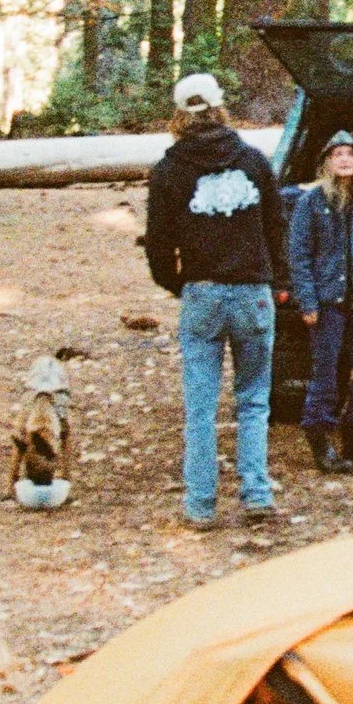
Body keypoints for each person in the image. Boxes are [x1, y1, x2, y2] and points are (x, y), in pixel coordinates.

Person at [144, 72, 290, 531]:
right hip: (252, 292)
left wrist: (179, 284)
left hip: (202, 292)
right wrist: (277, 281)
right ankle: (256, 493)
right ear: (219, 107)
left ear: (179, 114)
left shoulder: (168, 170)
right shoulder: (253, 161)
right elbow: (276, 227)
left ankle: (201, 504)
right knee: (253, 401)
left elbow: (158, 244)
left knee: (201, 406)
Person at [289, 128, 353, 474]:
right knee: (326, 376)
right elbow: (299, 256)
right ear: (327, 162)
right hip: (326, 304)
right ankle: (321, 444)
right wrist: (307, 302)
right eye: (338, 154)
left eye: (351, 154)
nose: (345, 160)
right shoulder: (311, 202)